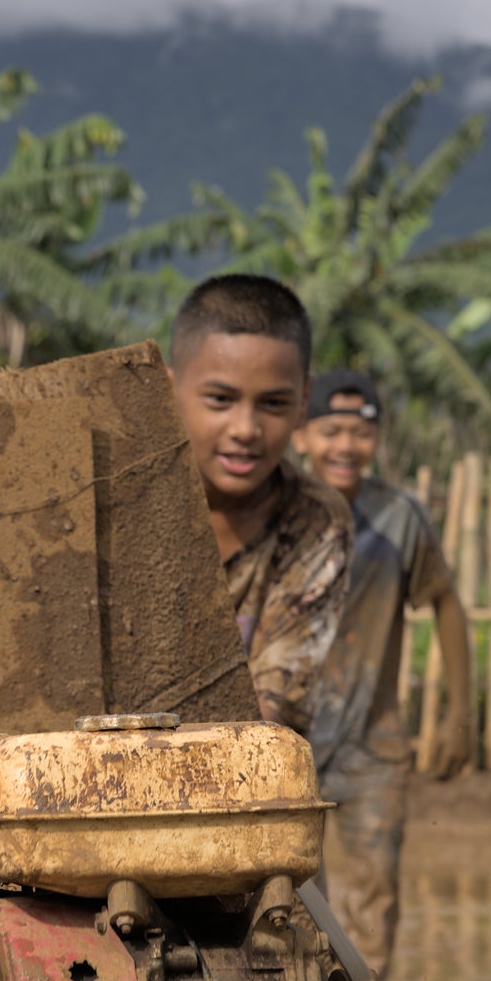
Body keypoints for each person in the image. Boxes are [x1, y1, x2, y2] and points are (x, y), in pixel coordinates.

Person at [296, 368, 472, 978]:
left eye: (360, 432)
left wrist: (460, 715)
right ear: (301, 435)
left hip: (374, 744)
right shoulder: (272, 511)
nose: (346, 445)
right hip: (283, 746)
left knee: (374, 897)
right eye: (331, 430)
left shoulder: (398, 518)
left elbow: (445, 600)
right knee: (292, 901)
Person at [168, 274, 352, 736]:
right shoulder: (112, 504)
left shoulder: (315, 522)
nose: (246, 428)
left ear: (304, 399)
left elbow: (273, 715)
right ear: (169, 388)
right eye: (220, 399)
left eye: (272, 403)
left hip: (241, 784)